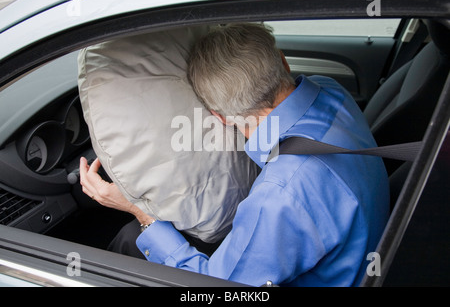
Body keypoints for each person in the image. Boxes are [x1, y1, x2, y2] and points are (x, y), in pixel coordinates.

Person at [80, 22, 389, 286]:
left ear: (220, 117)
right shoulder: (331, 90)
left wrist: (142, 213)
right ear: (283, 62)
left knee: (129, 239)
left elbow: (216, 287)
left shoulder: (280, 195)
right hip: (367, 246)